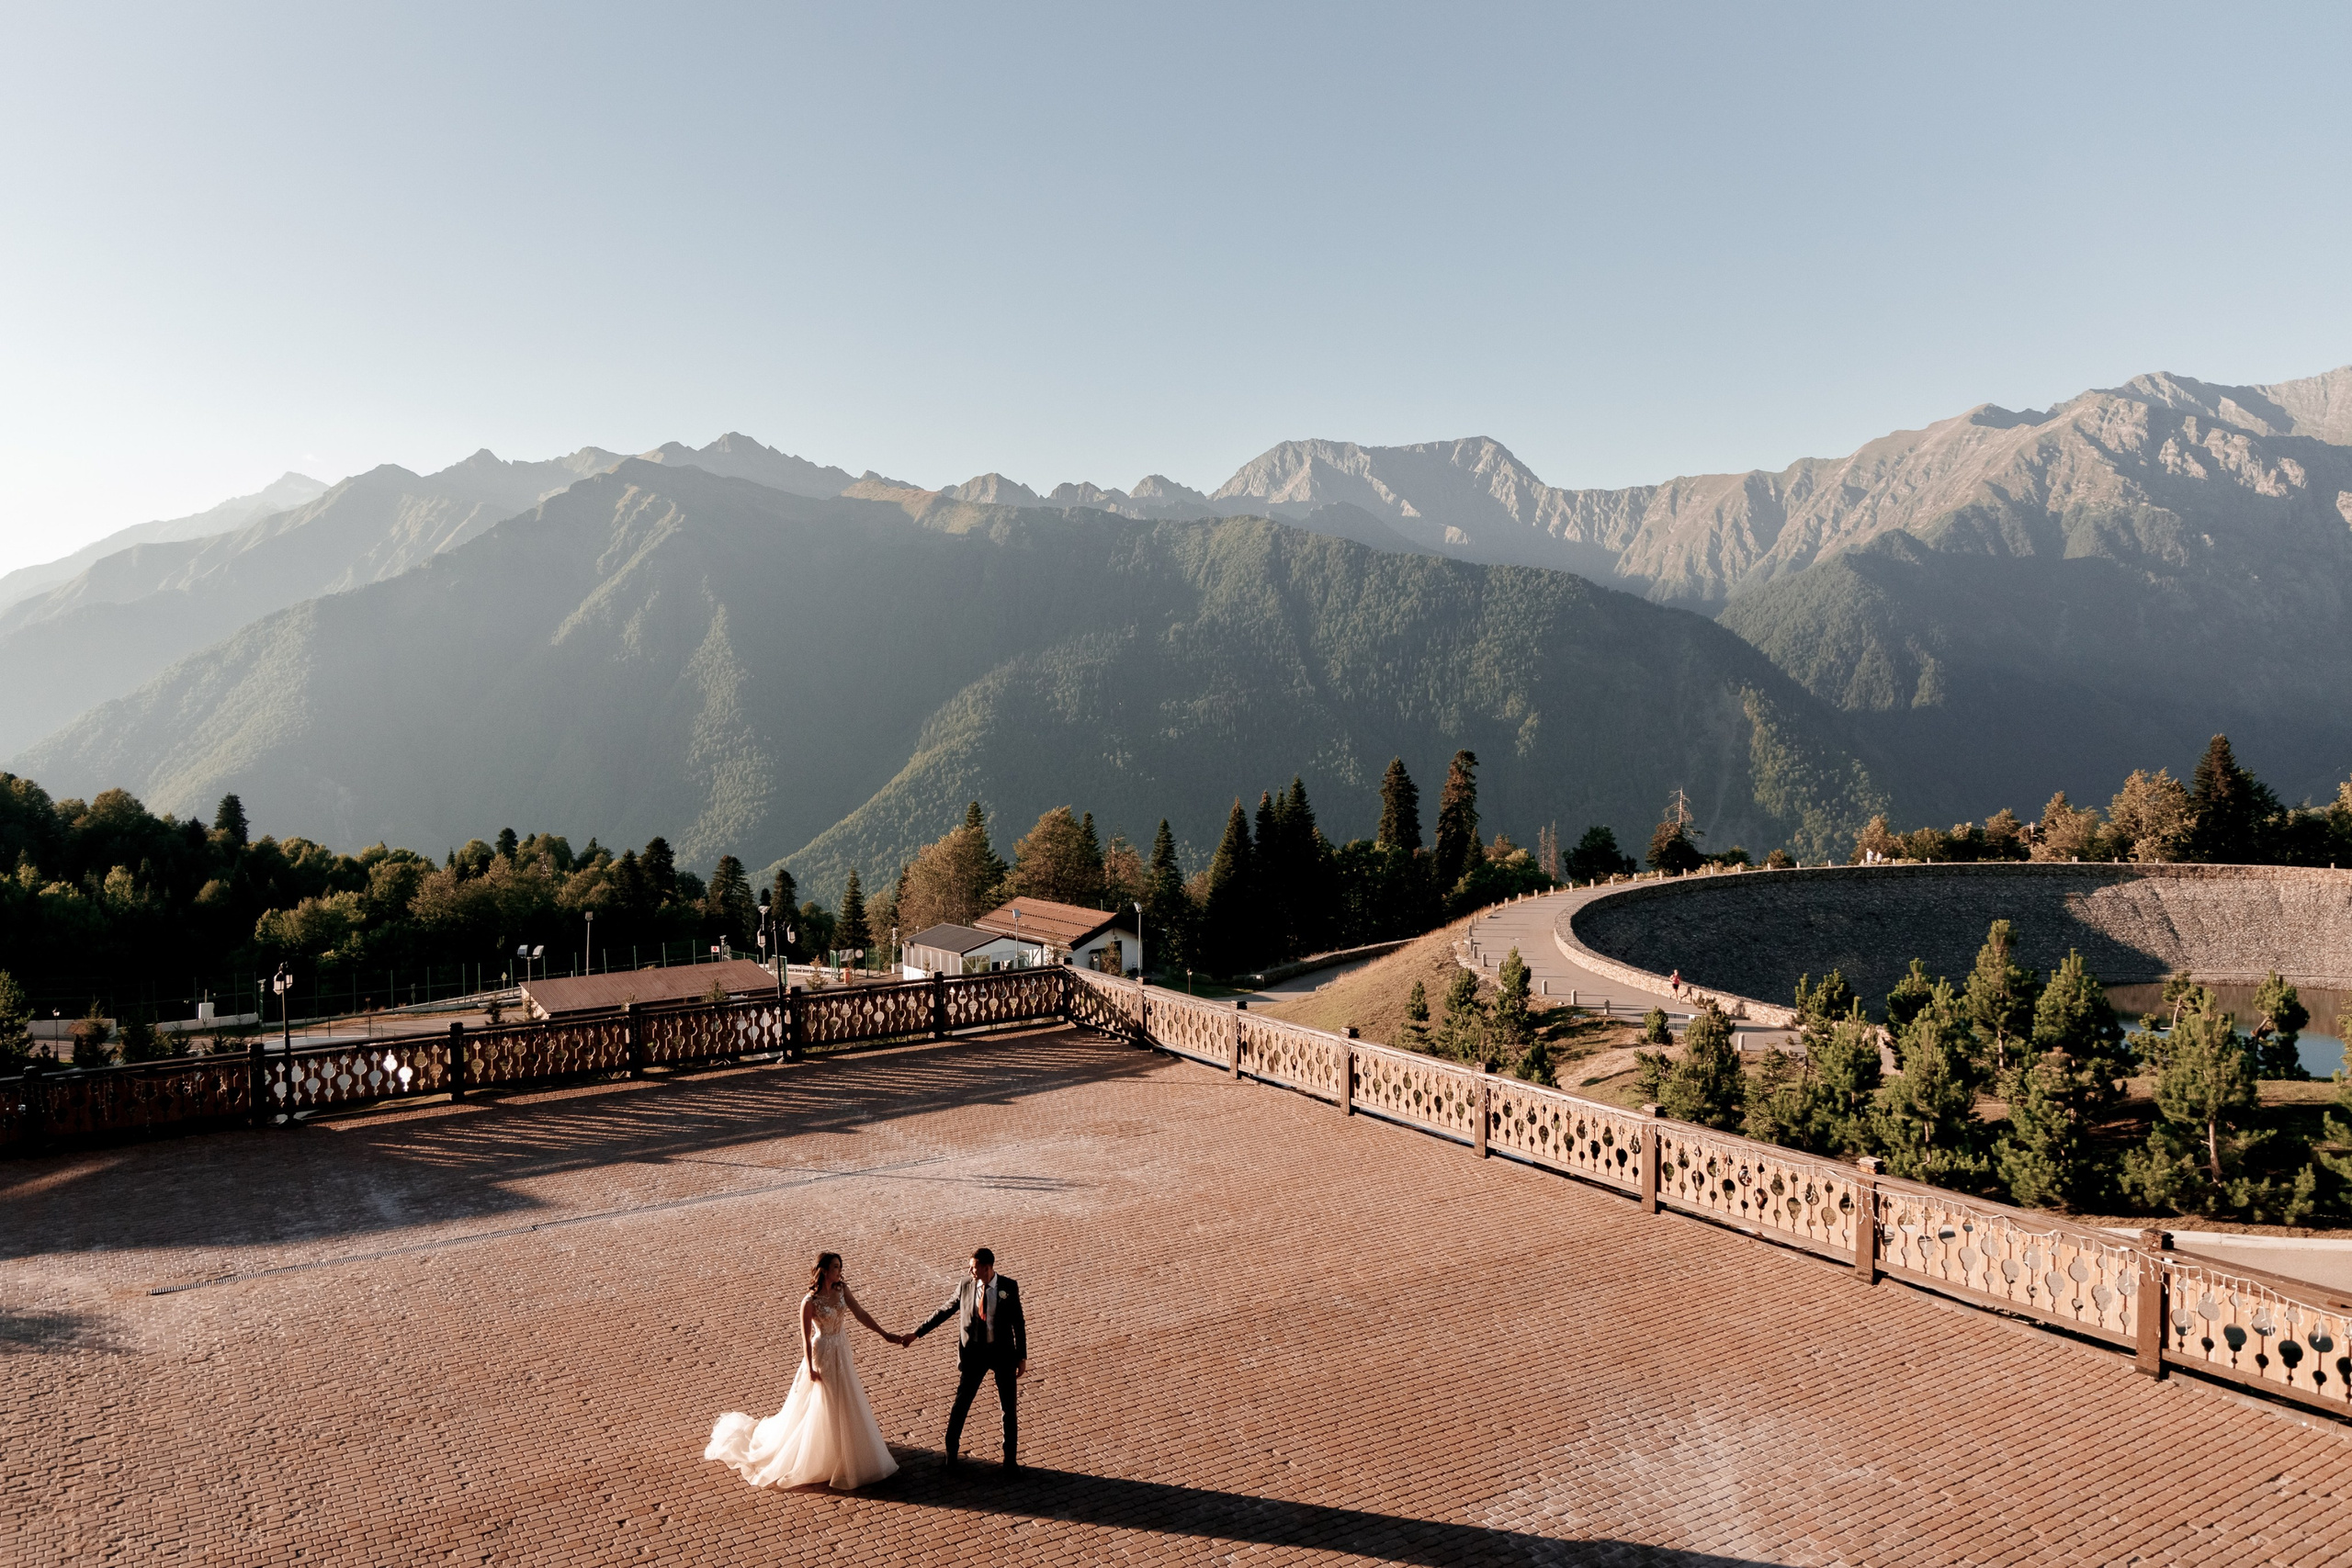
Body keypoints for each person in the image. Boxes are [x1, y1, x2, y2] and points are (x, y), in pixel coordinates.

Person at [705, 1251, 907, 1490]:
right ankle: (824, 1454)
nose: (839, 1271)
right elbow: (806, 1338)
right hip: (822, 1353)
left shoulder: (843, 1290)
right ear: (823, 1271)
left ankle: (845, 1449)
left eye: (839, 1267)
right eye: (835, 1267)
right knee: (823, 1402)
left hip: (841, 1349)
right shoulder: (809, 1302)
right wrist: (810, 1368)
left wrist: (885, 1335)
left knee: (846, 1396)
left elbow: (860, 1313)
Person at [912, 1247, 1028, 1472]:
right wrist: (917, 1333)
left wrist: (1021, 1356)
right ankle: (951, 1453)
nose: (970, 1270)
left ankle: (1010, 1461)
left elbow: (1018, 1323)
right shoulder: (966, 1285)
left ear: (987, 1268)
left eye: (973, 1267)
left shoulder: (1008, 1287)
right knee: (961, 1404)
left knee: (1009, 1409)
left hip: (1002, 1354)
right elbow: (945, 1310)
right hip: (975, 1354)